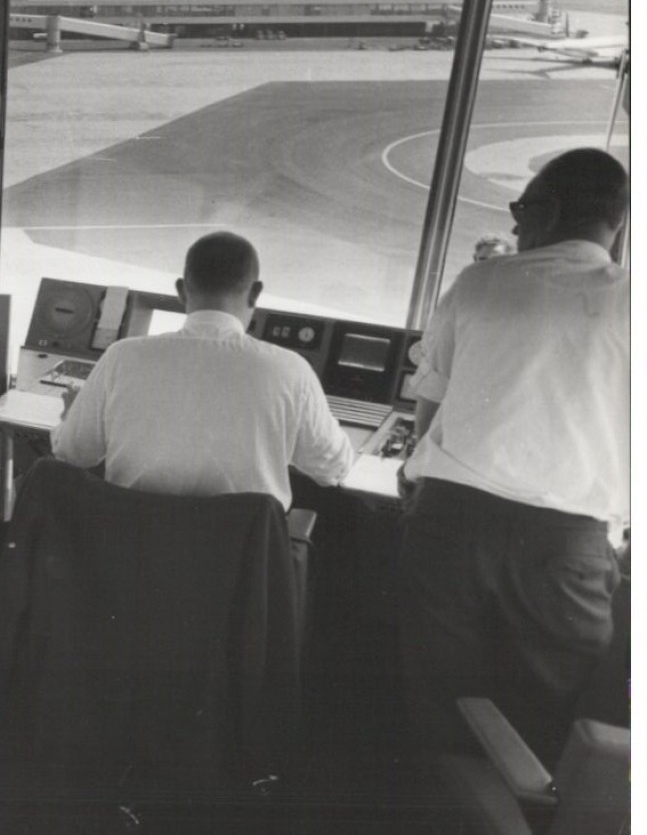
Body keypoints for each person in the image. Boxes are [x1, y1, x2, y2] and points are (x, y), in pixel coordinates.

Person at [397, 148, 628, 763]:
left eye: (521, 211)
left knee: (432, 706)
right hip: (566, 549)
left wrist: (414, 476)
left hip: (448, 527)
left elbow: (429, 408)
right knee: (539, 730)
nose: (518, 227)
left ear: (548, 211)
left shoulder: (481, 282)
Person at [52, 231, 355, 508]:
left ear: (182, 291)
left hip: (134, 558)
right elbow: (333, 469)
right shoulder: (291, 372)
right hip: (242, 564)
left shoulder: (121, 358)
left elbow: (72, 454)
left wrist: (69, 416)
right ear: (255, 293)